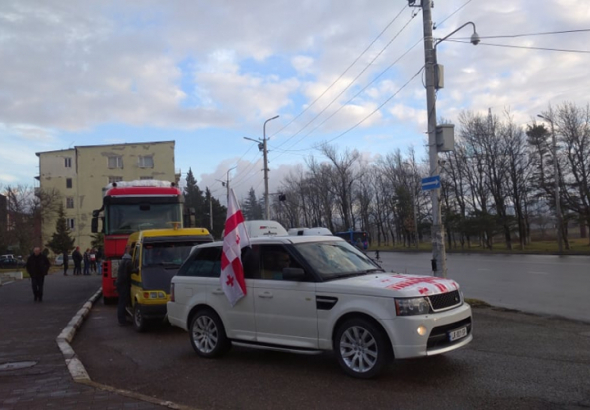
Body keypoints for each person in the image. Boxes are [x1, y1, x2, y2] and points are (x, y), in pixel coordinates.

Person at [116, 245, 133, 326]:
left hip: (120, 283)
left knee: (123, 301)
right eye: (130, 248)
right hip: (123, 284)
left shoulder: (124, 259)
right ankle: (122, 320)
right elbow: (130, 271)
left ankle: (124, 318)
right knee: (122, 302)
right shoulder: (128, 260)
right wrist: (136, 270)